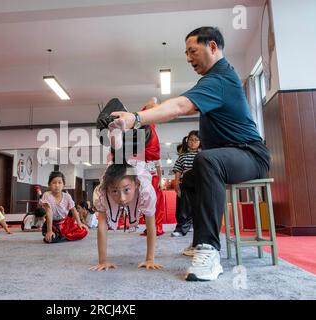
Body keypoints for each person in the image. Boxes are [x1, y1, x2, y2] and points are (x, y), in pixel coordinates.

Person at [110, 26, 270, 281]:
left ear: (213, 47)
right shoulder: (213, 81)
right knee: (191, 178)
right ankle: (198, 240)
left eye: (192, 51)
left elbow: (181, 106)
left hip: (251, 155)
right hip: (232, 156)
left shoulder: (220, 78)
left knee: (205, 160)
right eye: (186, 52)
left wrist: (136, 118)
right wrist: (156, 109)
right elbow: (179, 104)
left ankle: (209, 249)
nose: (188, 58)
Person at [90, 160, 163, 271]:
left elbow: (150, 224)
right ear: (107, 190)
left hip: (134, 168)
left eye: (126, 190)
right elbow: (102, 225)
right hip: (115, 171)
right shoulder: (102, 194)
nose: (122, 198)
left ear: (137, 185)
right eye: (115, 191)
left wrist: (150, 259)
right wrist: (102, 261)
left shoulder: (146, 191)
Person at [139, 97, 166, 237]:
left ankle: (157, 226)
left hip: (153, 177)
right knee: (145, 202)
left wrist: (160, 181)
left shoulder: (152, 133)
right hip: (144, 175)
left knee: (157, 203)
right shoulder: (144, 130)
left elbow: (158, 165)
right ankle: (149, 226)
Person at [40, 171, 88, 243]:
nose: (57, 185)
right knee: (50, 238)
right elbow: (49, 213)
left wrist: (79, 223)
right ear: (49, 185)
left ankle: (61, 236)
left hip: (66, 224)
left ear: (63, 185)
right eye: (54, 183)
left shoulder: (67, 196)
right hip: (52, 225)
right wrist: (49, 231)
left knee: (83, 231)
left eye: (60, 182)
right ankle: (60, 236)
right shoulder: (47, 195)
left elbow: (73, 210)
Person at [171, 130, 200, 238]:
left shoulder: (202, 155)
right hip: (185, 185)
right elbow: (178, 171)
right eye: (191, 140)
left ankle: (193, 225)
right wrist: (177, 184)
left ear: (200, 142)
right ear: (187, 141)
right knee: (182, 207)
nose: (193, 142)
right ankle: (181, 228)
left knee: (198, 206)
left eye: (196, 140)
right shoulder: (182, 156)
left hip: (199, 184)